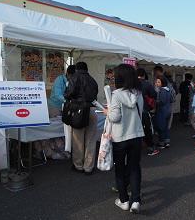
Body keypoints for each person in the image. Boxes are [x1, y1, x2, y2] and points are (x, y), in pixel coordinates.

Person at [103, 64, 144, 213]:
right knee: (134, 168)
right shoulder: (138, 93)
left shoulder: (117, 94)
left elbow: (115, 117)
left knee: (120, 169)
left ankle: (124, 200)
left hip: (120, 137)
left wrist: (107, 111)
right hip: (137, 134)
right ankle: (136, 201)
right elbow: (141, 111)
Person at [34, 65, 76, 160]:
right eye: (73, 76)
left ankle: (61, 148)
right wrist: (68, 101)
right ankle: (50, 150)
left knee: (62, 129)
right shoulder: (59, 80)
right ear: (68, 74)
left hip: (65, 107)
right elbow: (58, 95)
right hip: (55, 106)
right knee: (54, 129)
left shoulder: (73, 81)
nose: (74, 78)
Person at [64, 62, 98, 175]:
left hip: (78, 111)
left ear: (77, 69)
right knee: (91, 140)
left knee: (78, 140)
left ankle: (78, 165)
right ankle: (88, 167)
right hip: (92, 110)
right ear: (87, 69)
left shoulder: (74, 78)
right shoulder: (92, 80)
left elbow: (68, 94)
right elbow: (94, 95)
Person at [137, 68, 160, 156]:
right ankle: (151, 147)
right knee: (147, 128)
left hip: (134, 110)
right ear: (143, 75)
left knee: (135, 128)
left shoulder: (131, 84)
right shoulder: (147, 84)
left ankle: (137, 146)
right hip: (144, 109)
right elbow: (154, 94)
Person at [154, 75, 172, 148]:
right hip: (168, 110)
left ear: (162, 83)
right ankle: (167, 142)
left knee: (161, 127)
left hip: (162, 111)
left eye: (158, 82)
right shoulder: (168, 90)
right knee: (166, 127)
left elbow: (161, 101)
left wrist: (155, 102)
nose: (156, 83)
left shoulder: (162, 90)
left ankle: (161, 143)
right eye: (156, 82)